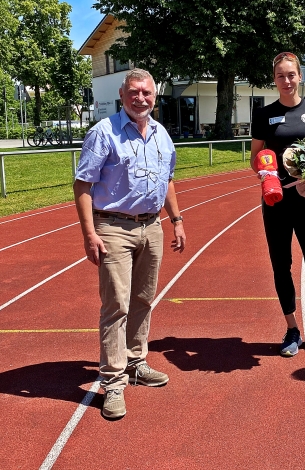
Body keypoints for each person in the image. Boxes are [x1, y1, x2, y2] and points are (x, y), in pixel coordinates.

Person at [73, 68, 187, 420]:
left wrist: (177, 219)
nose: (141, 98)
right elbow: (82, 186)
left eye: (147, 92)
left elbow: (167, 179)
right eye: (134, 92)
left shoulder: (160, 134)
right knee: (116, 305)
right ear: (123, 95)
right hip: (113, 227)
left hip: (151, 226)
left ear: (155, 96)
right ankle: (113, 381)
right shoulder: (103, 133)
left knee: (142, 299)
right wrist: (90, 234)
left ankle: (136, 362)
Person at [250, 52, 305, 358]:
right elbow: (255, 159)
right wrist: (268, 175)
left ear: (300, 76)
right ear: (274, 80)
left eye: (291, 75)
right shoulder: (263, 115)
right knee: (281, 265)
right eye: (280, 76)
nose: (286, 81)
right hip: (276, 201)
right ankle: (291, 329)